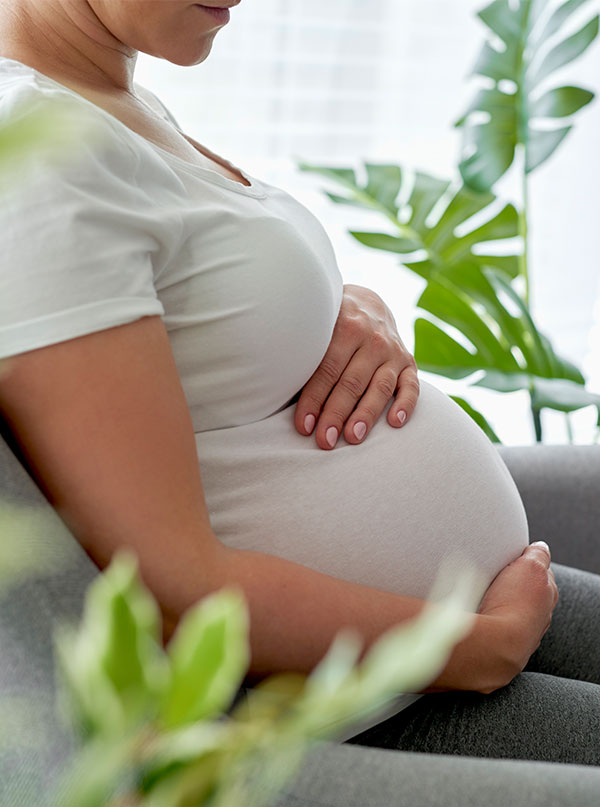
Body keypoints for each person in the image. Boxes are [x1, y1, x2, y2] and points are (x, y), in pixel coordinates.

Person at [0, 0, 598, 784]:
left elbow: (205, 326)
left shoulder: (108, 94)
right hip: (359, 702)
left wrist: (354, 308)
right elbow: (176, 591)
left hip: (437, 628)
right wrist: (474, 647)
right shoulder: (36, 157)